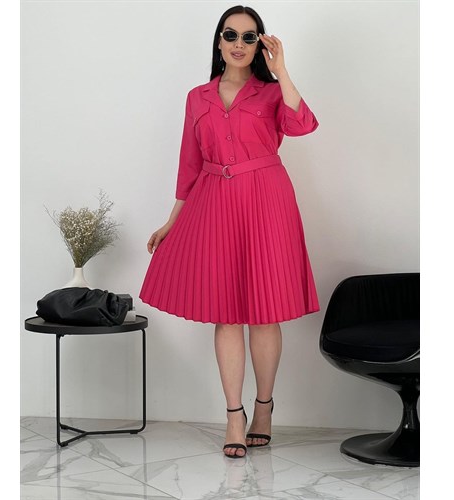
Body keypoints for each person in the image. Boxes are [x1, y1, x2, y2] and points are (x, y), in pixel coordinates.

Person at [139, 5, 320, 458]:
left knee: (265, 312)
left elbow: (302, 125)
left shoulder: (271, 92)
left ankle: (264, 409)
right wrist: (172, 221)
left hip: (266, 202)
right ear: (219, 42)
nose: (239, 44)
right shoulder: (197, 97)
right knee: (226, 312)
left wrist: (282, 70)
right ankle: (234, 416)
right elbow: (189, 165)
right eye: (230, 35)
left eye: (249, 36)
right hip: (214, 203)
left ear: (260, 44)